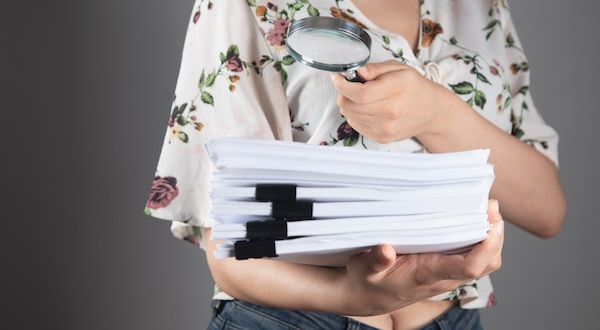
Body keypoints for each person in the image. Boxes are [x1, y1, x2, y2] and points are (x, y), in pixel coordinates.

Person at [145, 0, 566, 329]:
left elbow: (547, 211)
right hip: (290, 322)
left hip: (453, 321)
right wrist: (349, 294)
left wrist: (438, 113)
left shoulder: (484, 8)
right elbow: (230, 251)